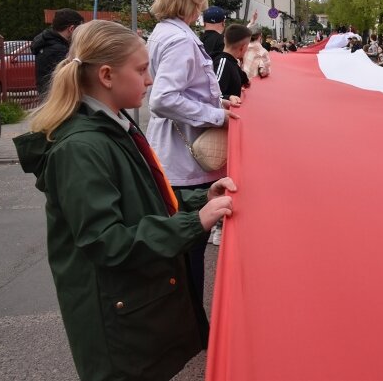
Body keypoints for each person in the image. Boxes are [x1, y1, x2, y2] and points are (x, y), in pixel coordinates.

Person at [13, 20, 235, 381]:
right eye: (142, 69)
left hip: (130, 308)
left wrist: (199, 199)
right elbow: (106, 240)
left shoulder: (113, 125)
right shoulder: (81, 148)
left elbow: (145, 196)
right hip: (115, 322)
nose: (149, 80)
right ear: (106, 75)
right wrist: (195, 222)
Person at [146, 0, 239, 337]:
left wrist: (219, 99)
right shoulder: (182, 41)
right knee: (191, 247)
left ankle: (186, 322)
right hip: (187, 160)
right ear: (194, 0)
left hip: (176, 154)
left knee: (185, 249)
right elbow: (164, 98)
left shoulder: (166, 34)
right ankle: (192, 326)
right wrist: (217, 114)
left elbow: (182, 90)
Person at [31, 8, 84, 98]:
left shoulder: (46, 43)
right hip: (58, 100)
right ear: (71, 29)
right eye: (80, 30)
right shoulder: (60, 51)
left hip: (47, 98)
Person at [213, 23, 251, 103]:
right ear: (243, 47)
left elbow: (244, 79)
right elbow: (213, 94)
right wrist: (228, 97)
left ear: (224, 40)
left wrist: (246, 81)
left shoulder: (232, 62)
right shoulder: (223, 63)